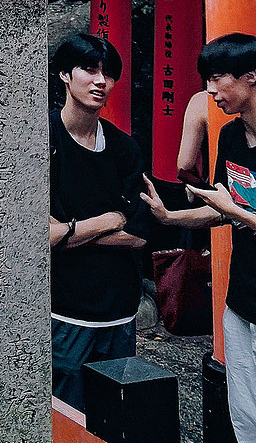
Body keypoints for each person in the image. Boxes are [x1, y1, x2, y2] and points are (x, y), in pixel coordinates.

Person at [141, 34, 256, 442]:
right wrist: (169, 218)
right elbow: (221, 206)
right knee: (245, 416)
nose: (209, 90)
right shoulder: (229, 136)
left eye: (217, 78)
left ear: (251, 77)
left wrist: (235, 213)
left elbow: (233, 210)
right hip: (242, 299)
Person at [48, 32, 150, 412]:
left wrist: (70, 231)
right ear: (64, 75)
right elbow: (39, 235)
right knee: (66, 416)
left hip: (120, 309)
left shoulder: (125, 148)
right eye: (89, 70)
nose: (100, 81)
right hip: (65, 308)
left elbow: (140, 235)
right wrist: (111, 218)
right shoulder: (45, 141)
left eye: (107, 73)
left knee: (114, 416)